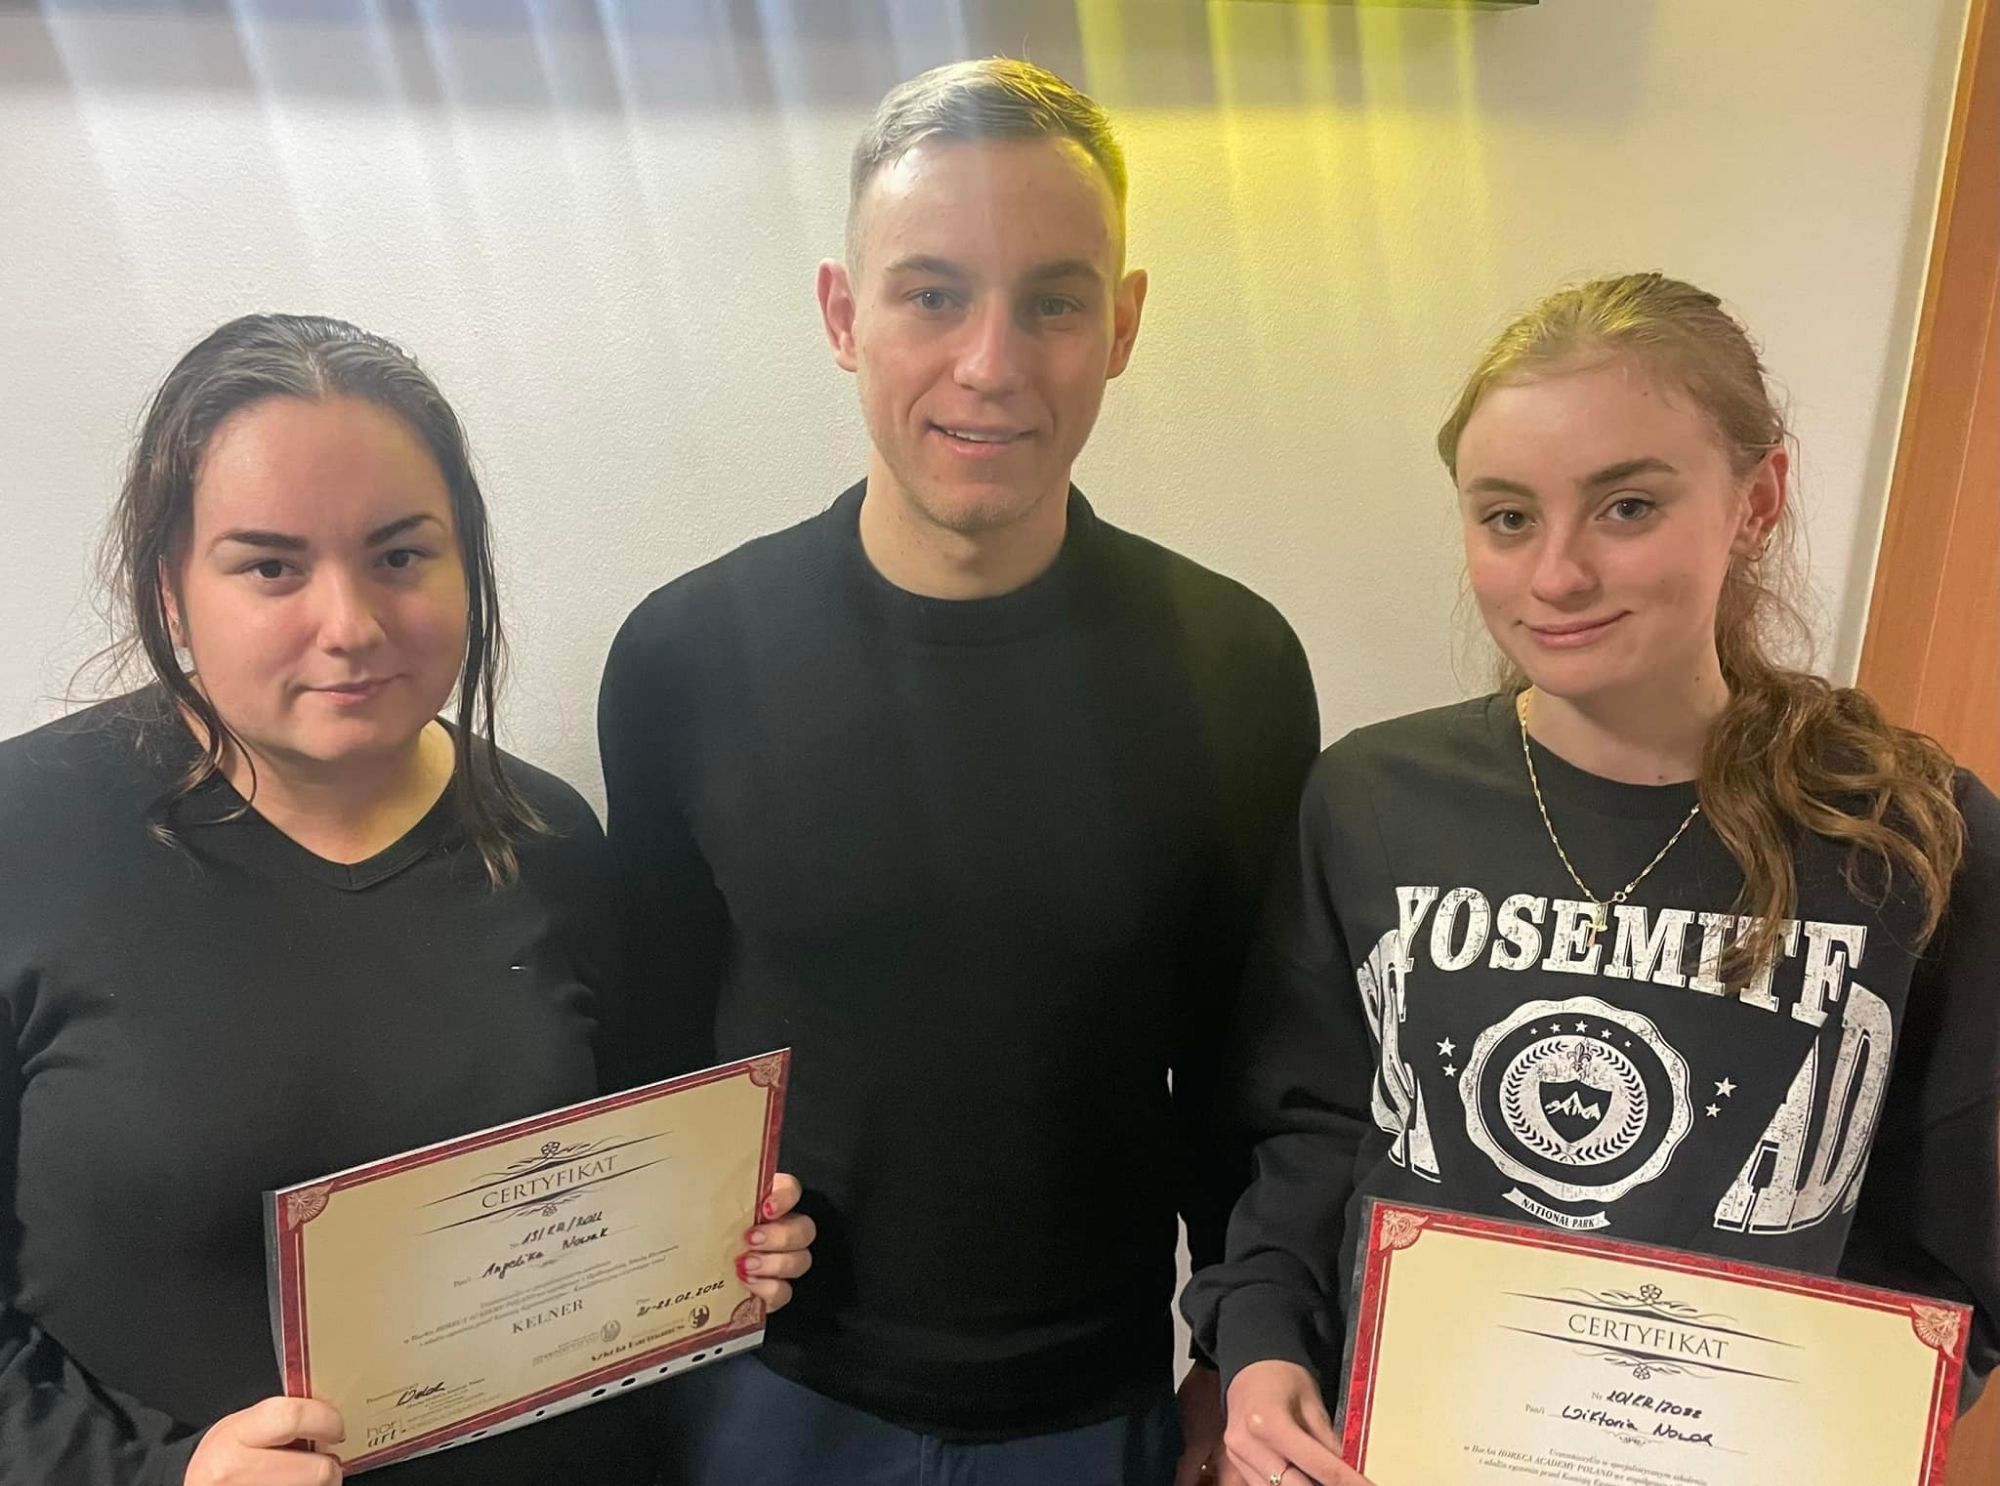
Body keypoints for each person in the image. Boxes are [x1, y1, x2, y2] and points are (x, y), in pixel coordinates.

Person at [598, 58, 1320, 1486]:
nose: (991, 362)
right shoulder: (683, 657)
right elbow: (648, 1055)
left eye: (1052, 301)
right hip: (762, 1397)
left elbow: (1248, 1075)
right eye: (932, 294)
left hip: (1096, 1410)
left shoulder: (1234, 666)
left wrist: (1233, 1352)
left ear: (1121, 325)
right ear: (842, 315)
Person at [1183, 271, 2000, 1486]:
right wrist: (1254, 1348)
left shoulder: (1908, 831)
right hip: (1385, 1455)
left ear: (1755, 501)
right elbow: (1307, 1129)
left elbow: (1957, 1225)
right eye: (1507, 516)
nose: (1556, 573)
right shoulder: (1371, 800)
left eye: (1625, 506)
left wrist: (1853, 1427)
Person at [0, 314, 814, 1486]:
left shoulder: (549, 836)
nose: (351, 626)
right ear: (169, 589)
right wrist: (158, 1477)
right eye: (271, 565)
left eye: (399, 555)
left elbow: (614, 1191)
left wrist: (716, 1243)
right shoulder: (26, 835)